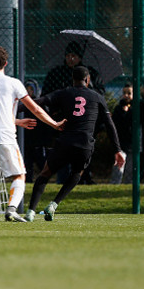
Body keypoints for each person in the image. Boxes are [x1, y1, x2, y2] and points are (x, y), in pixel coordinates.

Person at [0, 46, 65, 222]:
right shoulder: (13, 83)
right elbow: (36, 109)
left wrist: (16, 121)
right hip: (3, 135)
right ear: (6, 63)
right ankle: (11, 209)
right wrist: (54, 123)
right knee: (19, 175)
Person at [25, 66, 125, 222]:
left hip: (65, 141)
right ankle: (53, 205)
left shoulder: (64, 93)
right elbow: (109, 124)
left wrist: (17, 106)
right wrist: (117, 149)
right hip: (85, 144)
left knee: (45, 173)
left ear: (73, 79)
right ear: (88, 80)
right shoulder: (97, 96)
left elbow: (40, 102)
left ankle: (30, 211)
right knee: (78, 173)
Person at [42, 40, 104, 185]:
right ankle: (63, 178)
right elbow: (48, 95)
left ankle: (84, 177)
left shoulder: (91, 74)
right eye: (68, 55)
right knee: (63, 150)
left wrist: (90, 86)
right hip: (63, 119)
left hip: (84, 120)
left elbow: (100, 95)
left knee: (84, 150)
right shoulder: (57, 73)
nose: (70, 59)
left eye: (74, 56)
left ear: (80, 58)